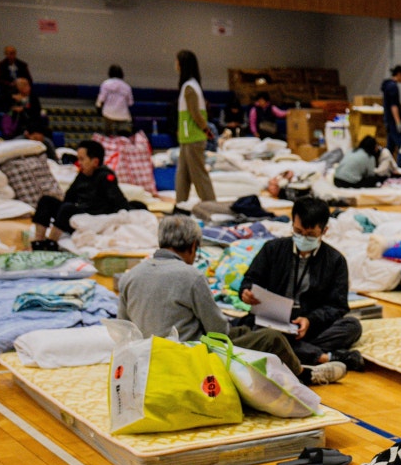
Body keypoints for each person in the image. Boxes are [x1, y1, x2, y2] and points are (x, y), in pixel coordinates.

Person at [118, 215, 346, 386]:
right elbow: (218, 330)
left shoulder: (130, 276)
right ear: (193, 247)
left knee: (252, 327)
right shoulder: (192, 276)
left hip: (148, 355)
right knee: (271, 337)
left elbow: (123, 328)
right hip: (193, 352)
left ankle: (307, 360)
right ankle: (305, 375)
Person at [237, 197, 364, 372]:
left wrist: (310, 320)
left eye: (310, 234)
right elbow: (250, 280)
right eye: (298, 231)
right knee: (256, 332)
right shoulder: (273, 249)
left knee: (352, 326)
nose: (303, 237)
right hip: (273, 322)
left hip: (308, 325)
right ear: (292, 225)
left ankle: (288, 352)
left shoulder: (335, 261)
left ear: (324, 230)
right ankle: (324, 357)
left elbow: (338, 306)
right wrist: (246, 292)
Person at [30, 139, 127, 247]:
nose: (78, 163)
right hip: (77, 214)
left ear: (94, 161)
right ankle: (39, 240)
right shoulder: (82, 175)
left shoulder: (106, 177)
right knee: (46, 200)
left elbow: (119, 202)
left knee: (67, 208)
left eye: (82, 159)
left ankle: (51, 243)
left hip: (92, 218)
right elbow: (69, 197)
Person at [175, 50, 215, 204]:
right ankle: (180, 206)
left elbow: (195, 114)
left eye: (177, 61)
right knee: (182, 175)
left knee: (199, 175)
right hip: (188, 137)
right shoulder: (190, 85)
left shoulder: (189, 87)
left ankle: (212, 207)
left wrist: (206, 129)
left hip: (193, 137)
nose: (175, 64)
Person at [96, 65, 133, 136]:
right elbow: (130, 103)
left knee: (107, 135)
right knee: (123, 136)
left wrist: (98, 107)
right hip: (122, 114)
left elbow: (101, 98)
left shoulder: (106, 83)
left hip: (108, 113)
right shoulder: (126, 86)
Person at [381, 66, 401, 155]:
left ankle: (387, 164)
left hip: (388, 120)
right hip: (393, 120)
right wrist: (398, 122)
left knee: (390, 147)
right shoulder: (393, 87)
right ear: (399, 74)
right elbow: (394, 106)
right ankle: (399, 166)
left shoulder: (387, 85)